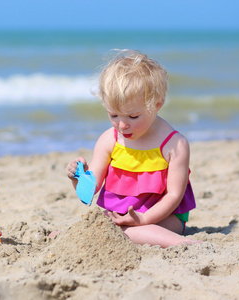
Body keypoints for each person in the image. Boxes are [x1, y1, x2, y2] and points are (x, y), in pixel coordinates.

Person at [66, 50, 199, 248]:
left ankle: (182, 242)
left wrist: (143, 219)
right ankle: (69, 236)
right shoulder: (108, 140)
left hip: (163, 216)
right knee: (100, 225)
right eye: (113, 115)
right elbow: (89, 191)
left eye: (133, 117)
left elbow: (174, 196)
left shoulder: (175, 145)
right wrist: (78, 178)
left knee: (127, 231)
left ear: (157, 105)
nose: (122, 125)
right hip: (119, 215)